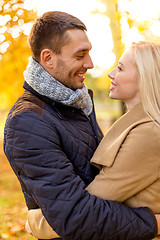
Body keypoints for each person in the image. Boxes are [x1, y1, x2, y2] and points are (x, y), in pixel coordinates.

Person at [3, 11, 159, 240]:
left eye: (89, 53)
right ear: (48, 59)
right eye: (80, 55)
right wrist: (154, 222)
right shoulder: (28, 122)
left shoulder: (78, 103)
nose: (91, 64)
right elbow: (76, 216)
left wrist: (37, 223)